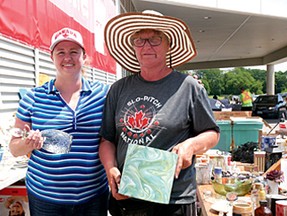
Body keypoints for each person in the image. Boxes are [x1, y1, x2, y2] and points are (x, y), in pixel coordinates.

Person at [99, 10, 220, 216]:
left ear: (168, 45)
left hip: (174, 198)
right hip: (129, 195)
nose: (146, 46)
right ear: (133, 47)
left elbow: (212, 133)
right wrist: (111, 170)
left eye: (155, 39)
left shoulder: (188, 87)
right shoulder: (119, 89)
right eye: (139, 40)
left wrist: (190, 145)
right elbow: (107, 139)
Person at [9, 27, 109, 216]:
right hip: (46, 196)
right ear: (52, 57)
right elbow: (14, 148)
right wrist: (27, 144)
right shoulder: (32, 98)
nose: (67, 58)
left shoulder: (103, 94)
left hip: (93, 196)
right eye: (60, 52)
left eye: (74, 52)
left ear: (84, 56)